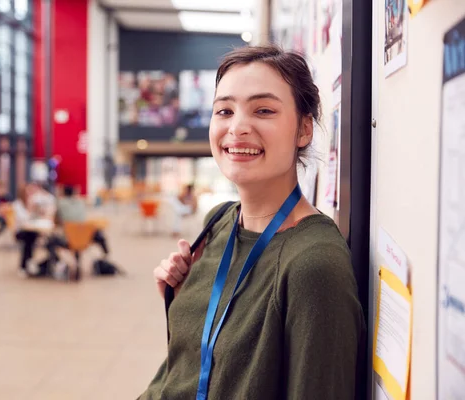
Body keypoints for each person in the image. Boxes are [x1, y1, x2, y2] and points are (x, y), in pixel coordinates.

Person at [141, 45, 365, 399]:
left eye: (263, 110)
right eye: (224, 110)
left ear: (304, 130)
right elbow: (191, 368)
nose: (238, 127)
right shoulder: (220, 221)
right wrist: (182, 296)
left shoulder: (313, 264)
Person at [57, 185, 109, 257]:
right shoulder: (81, 202)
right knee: (99, 232)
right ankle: (106, 254)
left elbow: (56, 221)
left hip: (69, 237)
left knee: (51, 240)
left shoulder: (60, 203)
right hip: (85, 236)